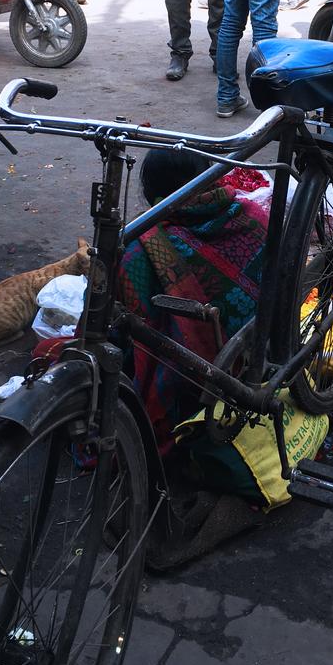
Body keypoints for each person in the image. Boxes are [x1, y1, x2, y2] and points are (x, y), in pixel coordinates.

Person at [117, 148, 268, 454]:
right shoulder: (252, 217)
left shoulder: (143, 247)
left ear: (152, 192)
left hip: (194, 374)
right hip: (257, 351)